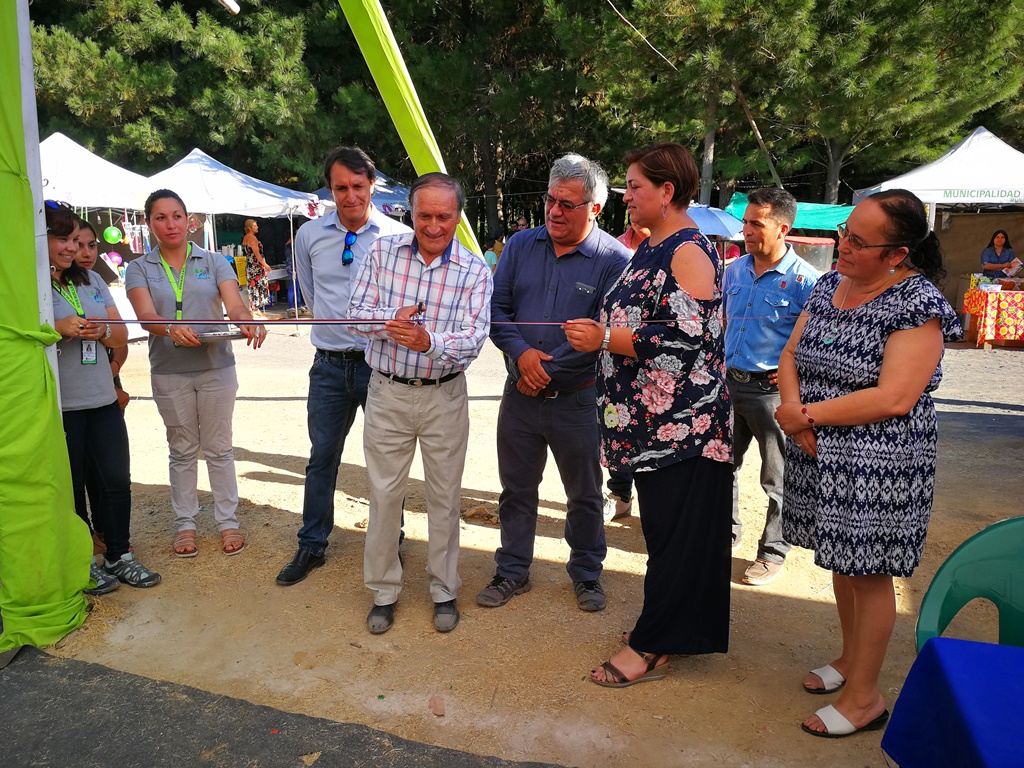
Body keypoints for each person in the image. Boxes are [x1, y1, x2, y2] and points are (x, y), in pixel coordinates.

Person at [774, 189, 961, 738]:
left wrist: (805, 415)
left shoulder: (917, 305)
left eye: (858, 241)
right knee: (841, 562)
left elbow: (895, 397)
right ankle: (851, 660)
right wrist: (795, 414)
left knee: (869, 572)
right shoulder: (830, 284)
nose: (843, 247)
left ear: (897, 254)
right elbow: (791, 353)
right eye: (844, 234)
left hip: (878, 460)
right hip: (820, 447)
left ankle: (864, 698)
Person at [565, 142, 732, 687]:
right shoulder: (652, 245)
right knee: (665, 535)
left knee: (675, 537)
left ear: (667, 190)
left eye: (635, 186)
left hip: (683, 428)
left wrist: (604, 338)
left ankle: (653, 644)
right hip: (654, 428)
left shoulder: (687, 250)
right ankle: (665, 626)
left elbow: (686, 339)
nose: (627, 197)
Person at [479, 154, 629, 613]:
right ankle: (512, 570)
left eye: (568, 204)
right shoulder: (520, 246)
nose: (555, 211)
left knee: (584, 494)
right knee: (516, 489)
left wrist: (544, 371)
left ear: (595, 208)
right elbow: (496, 310)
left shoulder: (615, 260)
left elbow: (607, 331)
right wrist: (522, 357)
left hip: (578, 400)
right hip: (519, 398)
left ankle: (587, 573)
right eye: (550, 200)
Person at [350, 172, 492, 634]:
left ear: (458, 216)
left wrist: (429, 342)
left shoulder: (475, 271)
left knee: (444, 497)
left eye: (443, 216)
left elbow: (474, 340)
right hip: (387, 391)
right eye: (424, 215)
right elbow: (354, 316)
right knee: (384, 495)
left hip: (444, 395)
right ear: (410, 213)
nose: (433, 226)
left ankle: (444, 589)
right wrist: (389, 321)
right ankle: (383, 591)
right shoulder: (381, 252)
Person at [275, 147, 412, 587]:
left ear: (372, 185)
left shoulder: (398, 235)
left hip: (381, 365)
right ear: (329, 189)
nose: (350, 196)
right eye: (340, 188)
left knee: (386, 462)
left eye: (357, 186)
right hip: (329, 367)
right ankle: (312, 544)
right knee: (322, 458)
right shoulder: (309, 235)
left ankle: (390, 541)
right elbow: (313, 294)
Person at [126, 189, 266, 559]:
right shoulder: (139, 268)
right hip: (169, 371)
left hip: (216, 367)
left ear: (188, 221)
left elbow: (235, 305)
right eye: (160, 217)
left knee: (219, 449)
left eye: (177, 216)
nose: (170, 224)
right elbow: (146, 317)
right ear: (149, 223)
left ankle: (228, 521)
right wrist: (170, 328)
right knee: (182, 450)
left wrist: (248, 321)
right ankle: (185, 523)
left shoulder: (215, 260)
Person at [46, 201, 160, 592]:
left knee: (115, 480)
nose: (73, 248)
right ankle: (81, 562)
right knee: (71, 488)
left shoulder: (91, 280)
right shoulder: (32, 287)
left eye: (77, 241)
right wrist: (59, 327)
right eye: (64, 240)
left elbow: (121, 335)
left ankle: (118, 556)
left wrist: (102, 331)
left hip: (102, 399)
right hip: (60, 406)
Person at [724, 188, 818, 586]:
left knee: (777, 477)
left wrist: (798, 374)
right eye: (745, 222)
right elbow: (723, 322)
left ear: (783, 228)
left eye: (756, 224)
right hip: (730, 384)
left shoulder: (806, 282)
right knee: (720, 466)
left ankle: (773, 550)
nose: (746, 230)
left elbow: (816, 342)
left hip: (772, 395)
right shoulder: (733, 271)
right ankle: (724, 532)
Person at [74, 220, 131, 561]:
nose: (84, 252)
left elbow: (120, 338)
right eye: (75, 243)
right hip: (68, 398)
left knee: (110, 474)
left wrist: (112, 376)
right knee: (75, 477)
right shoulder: (43, 286)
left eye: (91, 245)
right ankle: (84, 544)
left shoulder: (96, 280)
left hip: (104, 390)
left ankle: (114, 544)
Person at [604, 217, 652, 522]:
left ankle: (652, 505)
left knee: (649, 437)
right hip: (615, 361)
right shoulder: (613, 248)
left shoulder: (677, 250)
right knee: (616, 428)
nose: (631, 202)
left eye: (638, 194)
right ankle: (619, 495)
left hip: (654, 361)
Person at [242, 219, 271, 316]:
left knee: (253, 286)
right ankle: (255, 308)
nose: (257, 227)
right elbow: (257, 254)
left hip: (250, 265)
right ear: (250, 228)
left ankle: (254, 308)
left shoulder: (246, 237)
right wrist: (265, 265)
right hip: (256, 266)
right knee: (257, 286)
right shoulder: (252, 238)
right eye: (255, 226)